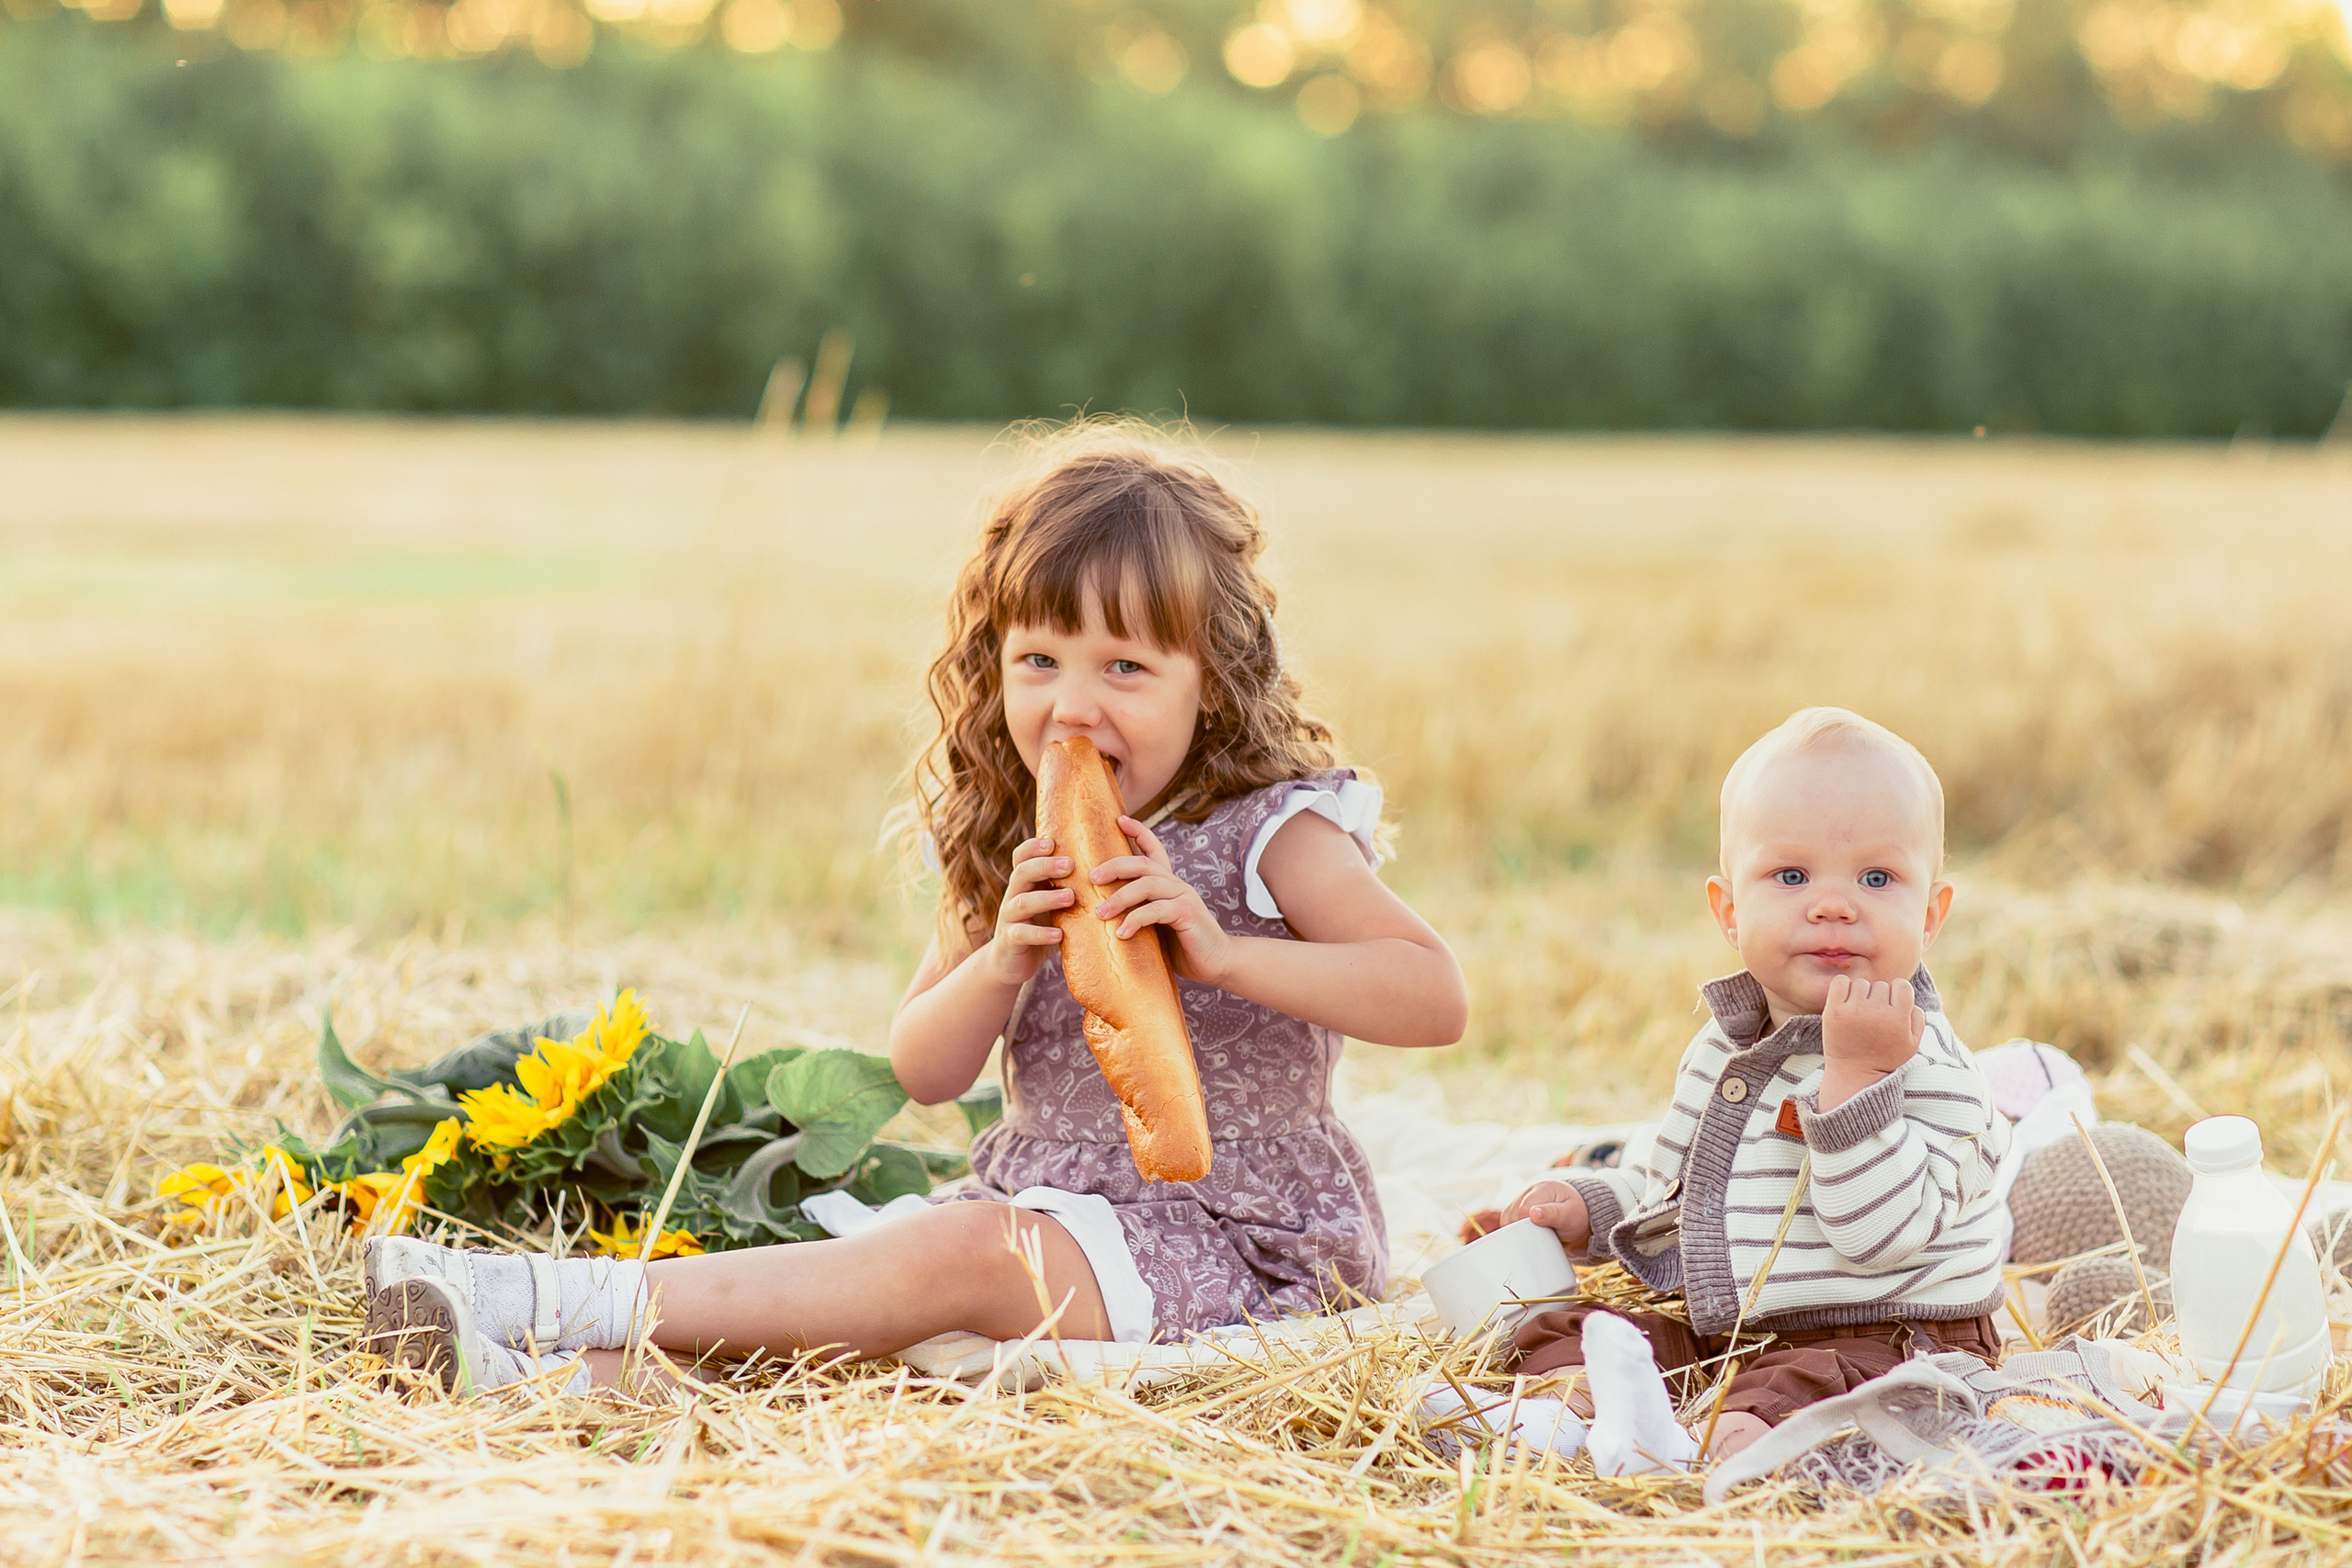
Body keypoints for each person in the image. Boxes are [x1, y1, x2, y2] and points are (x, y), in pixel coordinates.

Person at [360, 423, 1470, 1393]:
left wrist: (1221, 955)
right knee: (860, 1322)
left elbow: (1432, 997)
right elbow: (925, 1071)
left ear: (1211, 682)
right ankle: (540, 1378)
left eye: (1125, 667)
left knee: (967, 1263)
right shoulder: (1016, 846)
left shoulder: (1270, 832)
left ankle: (555, 1297)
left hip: (1240, 1240)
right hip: (1047, 1204)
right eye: (1038, 659)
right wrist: (1000, 963)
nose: (1071, 705)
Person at [1491, 707, 2009, 1469]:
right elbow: (1690, 1187)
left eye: (1877, 877)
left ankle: (1695, 1451)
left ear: (1930, 915)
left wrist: (1857, 1083)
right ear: (1730, 911)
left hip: (1889, 1336)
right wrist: (1594, 1210)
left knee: (1781, 1399)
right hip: (1742, 1331)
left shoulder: (1932, 1067)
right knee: (1561, 1331)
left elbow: (1880, 1237)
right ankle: (1571, 1414)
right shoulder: (1725, 1046)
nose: (1833, 904)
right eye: (1791, 875)